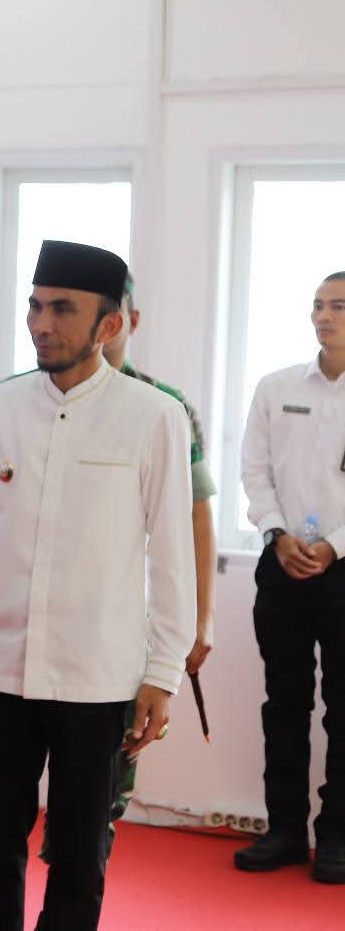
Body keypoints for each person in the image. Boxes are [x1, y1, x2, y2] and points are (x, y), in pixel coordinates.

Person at [0, 240, 195, 930]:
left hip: (97, 679)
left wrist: (163, 672)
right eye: (35, 306)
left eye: (61, 309)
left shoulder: (154, 416)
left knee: (80, 855)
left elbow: (172, 557)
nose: (40, 324)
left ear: (109, 324)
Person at [235, 269, 345, 884]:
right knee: (284, 704)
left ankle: (338, 837)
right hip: (281, 564)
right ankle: (284, 831)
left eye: (338, 306)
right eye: (318, 305)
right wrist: (277, 535)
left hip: (343, 568)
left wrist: (333, 546)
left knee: (344, 710)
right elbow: (254, 471)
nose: (323, 316)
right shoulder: (275, 387)